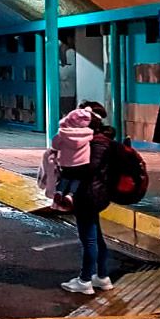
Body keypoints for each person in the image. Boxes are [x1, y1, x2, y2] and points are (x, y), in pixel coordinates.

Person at [61, 101, 117, 295]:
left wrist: (67, 165)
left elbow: (87, 169)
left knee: (89, 239)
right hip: (97, 193)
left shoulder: (96, 143)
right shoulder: (101, 140)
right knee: (96, 237)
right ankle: (102, 277)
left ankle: (85, 280)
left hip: (88, 194)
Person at [51, 107, 95, 210]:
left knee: (65, 177)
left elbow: (55, 144)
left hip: (66, 162)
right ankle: (70, 195)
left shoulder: (62, 133)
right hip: (83, 162)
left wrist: (54, 149)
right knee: (77, 179)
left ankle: (59, 192)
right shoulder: (88, 134)